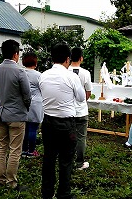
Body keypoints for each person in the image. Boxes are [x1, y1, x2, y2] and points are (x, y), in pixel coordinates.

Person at [39, 43, 86, 199]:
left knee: (49, 158)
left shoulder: (43, 75)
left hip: (47, 122)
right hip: (66, 124)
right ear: (67, 59)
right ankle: (64, 193)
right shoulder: (71, 76)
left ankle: (47, 192)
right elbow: (80, 98)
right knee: (66, 160)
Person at [0, 39, 31, 191]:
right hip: (16, 115)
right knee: (15, 149)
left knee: (2, 147)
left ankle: (0, 179)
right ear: (16, 54)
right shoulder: (20, 71)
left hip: (1, 113)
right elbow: (27, 95)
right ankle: (11, 182)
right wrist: (25, 108)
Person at [68, 47, 92, 170]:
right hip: (81, 110)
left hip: (67, 110)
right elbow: (88, 92)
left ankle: (68, 160)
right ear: (81, 58)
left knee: (68, 136)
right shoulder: (86, 73)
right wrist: (82, 101)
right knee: (81, 137)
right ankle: (79, 162)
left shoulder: (65, 71)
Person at [21, 52, 43, 158]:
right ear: (35, 62)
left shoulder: (20, 73)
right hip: (36, 103)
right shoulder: (38, 75)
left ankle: (24, 150)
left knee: (24, 128)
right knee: (33, 128)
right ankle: (31, 151)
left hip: (23, 103)